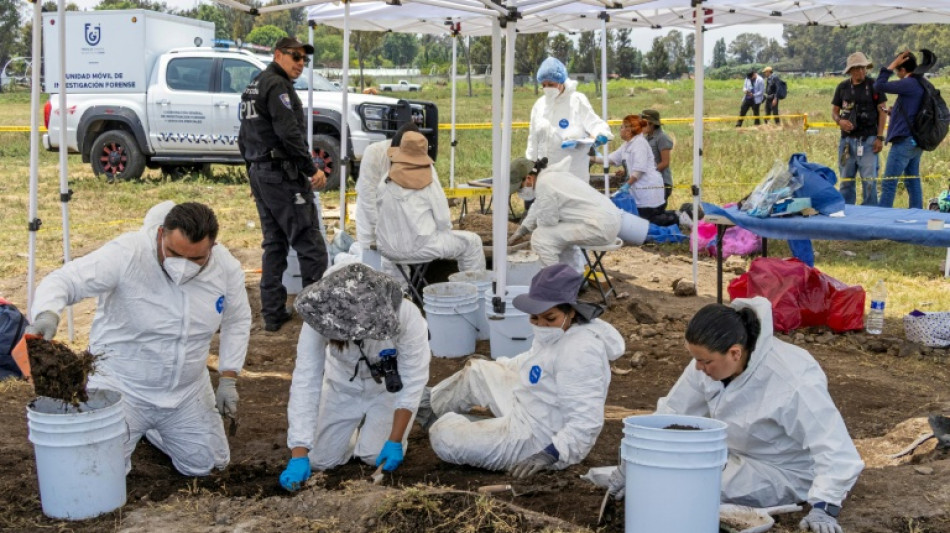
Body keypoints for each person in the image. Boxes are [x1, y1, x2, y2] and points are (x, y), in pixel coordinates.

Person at [27, 201, 252, 476]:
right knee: (98, 472)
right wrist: (48, 313)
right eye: (173, 253)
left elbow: (237, 320)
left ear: (212, 248)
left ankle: (159, 430)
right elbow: (66, 280)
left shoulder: (225, 267)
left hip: (186, 389)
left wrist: (228, 377)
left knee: (208, 465)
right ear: (160, 234)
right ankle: (136, 426)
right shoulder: (127, 253)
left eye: (195, 259)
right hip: (122, 385)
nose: (183, 266)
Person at [605, 297, 864, 533]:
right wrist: (635, 461)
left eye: (705, 362)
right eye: (695, 359)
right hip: (730, 453)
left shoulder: (792, 379)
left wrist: (825, 506)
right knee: (665, 476)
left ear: (735, 353)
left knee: (692, 487)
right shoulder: (709, 360)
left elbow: (835, 448)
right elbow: (674, 411)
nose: (698, 368)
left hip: (783, 469)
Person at [419, 264, 625, 476]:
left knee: (443, 437)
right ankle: (428, 407)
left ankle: (460, 425)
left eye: (549, 318)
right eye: (534, 318)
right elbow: (531, 360)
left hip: (539, 439)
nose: (541, 324)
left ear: (571, 311)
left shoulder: (581, 352)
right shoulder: (557, 330)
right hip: (528, 404)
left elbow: (585, 422)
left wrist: (552, 452)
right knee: (478, 371)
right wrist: (500, 366)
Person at [279, 263, 431, 490]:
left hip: (387, 391)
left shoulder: (405, 314)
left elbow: (413, 376)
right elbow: (306, 379)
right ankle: (349, 431)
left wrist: (395, 440)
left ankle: (409, 412)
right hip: (341, 386)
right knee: (320, 460)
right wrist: (299, 452)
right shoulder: (320, 310)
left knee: (374, 455)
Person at [239, 36, 328, 331]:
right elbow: (289, 134)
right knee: (310, 243)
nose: (301, 64)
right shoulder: (277, 86)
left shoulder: (255, 84)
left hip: (262, 172)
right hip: (280, 174)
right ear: (278, 55)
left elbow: (244, 137)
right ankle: (318, 317)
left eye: (305, 59)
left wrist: (253, 172)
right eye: (295, 57)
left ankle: (273, 313)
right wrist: (310, 168)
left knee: (275, 243)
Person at [375, 131, 485, 272]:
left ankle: (400, 292)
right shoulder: (428, 178)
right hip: (422, 247)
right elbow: (443, 220)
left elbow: (379, 214)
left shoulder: (385, 179)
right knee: (473, 242)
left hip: (387, 249)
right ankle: (472, 290)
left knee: (393, 261)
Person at [508, 158, 623, 268]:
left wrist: (530, 229)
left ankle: (554, 281)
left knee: (541, 238)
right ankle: (572, 277)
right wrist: (521, 231)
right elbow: (538, 206)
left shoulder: (544, 184)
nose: (520, 192)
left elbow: (548, 221)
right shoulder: (550, 178)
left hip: (599, 227)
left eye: (520, 188)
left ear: (528, 178)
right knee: (557, 236)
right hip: (608, 222)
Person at [526, 57, 613, 183]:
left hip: (574, 173)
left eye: (551, 84)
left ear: (562, 81)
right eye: (543, 85)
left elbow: (594, 123)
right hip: (546, 174)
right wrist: (531, 165)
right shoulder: (539, 105)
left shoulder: (576, 100)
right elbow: (533, 138)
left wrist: (601, 135)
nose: (547, 88)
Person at [355, 122, 420, 253]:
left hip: (397, 219)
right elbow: (368, 198)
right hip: (370, 220)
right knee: (371, 262)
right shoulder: (373, 153)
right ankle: (348, 257)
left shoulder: (416, 157)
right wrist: (381, 230)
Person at [832, 52, 887, 206]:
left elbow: (882, 113)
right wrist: (840, 121)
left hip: (869, 141)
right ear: (850, 71)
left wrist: (880, 137)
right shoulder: (842, 87)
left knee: (869, 181)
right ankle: (847, 212)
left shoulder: (874, 85)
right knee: (846, 181)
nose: (861, 72)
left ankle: (870, 213)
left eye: (863, 68)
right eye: (857, 69)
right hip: (847, 142)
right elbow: (834, 112)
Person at [875, 50, 926, 209]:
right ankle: (917, 216)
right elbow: (913, 110)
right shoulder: (921, 82)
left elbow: (879, 85)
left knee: (889, 183)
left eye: (898, 70)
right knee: (912, 181)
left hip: (904, 141)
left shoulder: (908, 83)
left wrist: (893, 64)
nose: (896, 73)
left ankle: (883, 219)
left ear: (902, 70)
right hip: (916, 141)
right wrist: (894, 112)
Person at [605, 115, 666, 222]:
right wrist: (592, 157)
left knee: (650, 221)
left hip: (648, 190)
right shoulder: (627, 144)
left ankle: (678, 218)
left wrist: (627, 184)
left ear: (629, 130)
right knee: (643, 221)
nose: (620, 130)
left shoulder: (639, 144)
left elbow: (639, 169)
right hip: (639, 190)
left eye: (622, 127)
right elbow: (612, 159)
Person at [641, 109, 674, 209]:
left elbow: (665, 163)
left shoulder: (662, 138)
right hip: (650, 182)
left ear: (651, 124)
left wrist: (648, 174)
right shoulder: (646, 138)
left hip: (661, 183)